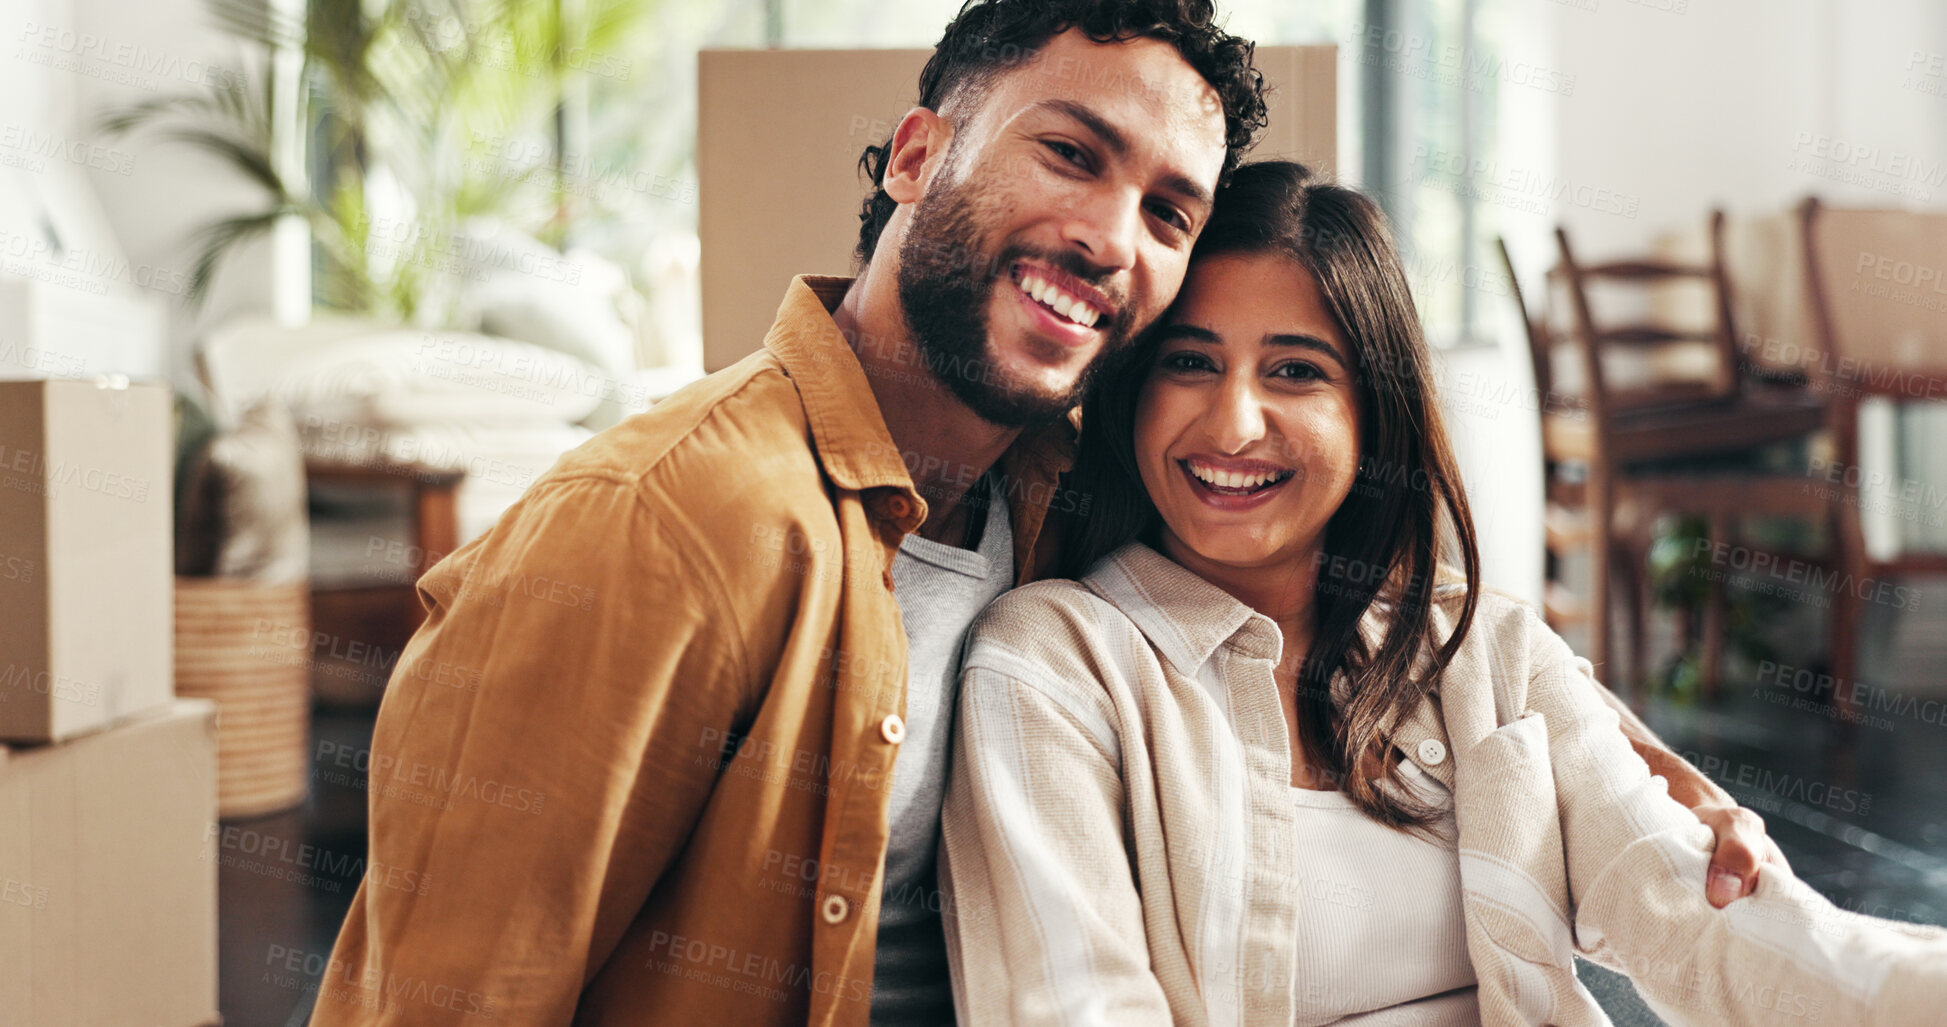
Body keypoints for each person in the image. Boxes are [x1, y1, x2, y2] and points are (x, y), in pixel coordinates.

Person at [311, 4, 1775, 1024]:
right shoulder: (660, 526)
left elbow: (1379, 618)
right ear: (913, 154)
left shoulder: (1062, 490)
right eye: (1069, 153)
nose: (1108, 237)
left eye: (1166, 209)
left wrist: (1637, 767)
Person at [939, 159, 1947, 1025]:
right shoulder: (1052, 666)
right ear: (1131, 397)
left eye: (1294, 370)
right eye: (1189, 363)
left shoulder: (1484, 649)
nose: (1234, 422)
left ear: (1372, 414)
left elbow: (1727, 937)